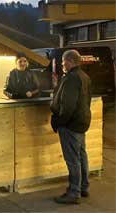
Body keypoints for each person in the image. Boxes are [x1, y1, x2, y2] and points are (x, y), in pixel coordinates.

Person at [50, 49, 92, 204]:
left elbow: (67, 105)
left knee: (73, 159)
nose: (62, 64)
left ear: (70, 61)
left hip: (70, 124)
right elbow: (86, 100)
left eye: (63, 61)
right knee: (81, 155)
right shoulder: (84, 77)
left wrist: (59, 121)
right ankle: (83, 187)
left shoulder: (71, 78)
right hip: (81, 122)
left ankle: (74, 193)